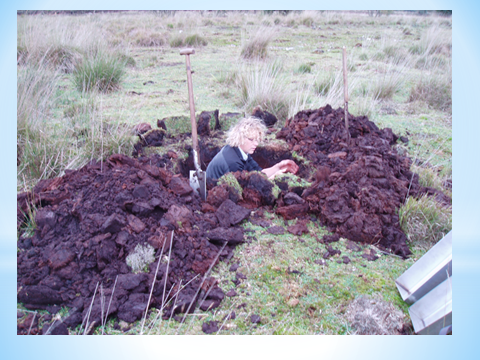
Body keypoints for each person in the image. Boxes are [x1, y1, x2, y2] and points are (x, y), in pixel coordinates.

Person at [206, 116, 298, 180]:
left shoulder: (241, 152)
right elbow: (242, 191)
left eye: (257, 140)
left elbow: (259, 174)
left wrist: (278, 167)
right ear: (240, 138)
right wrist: (273, 178)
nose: (255, 144)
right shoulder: (233, 162)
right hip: (214, 197)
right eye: (251, 139)